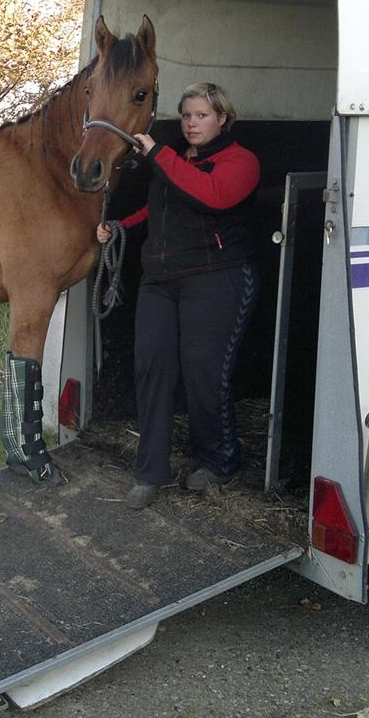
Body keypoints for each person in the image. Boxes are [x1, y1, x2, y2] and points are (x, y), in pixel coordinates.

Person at [97, 82, 261, 509]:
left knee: (204, 372)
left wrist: (157, 155)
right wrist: (121, 227)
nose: (191, 123)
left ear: (223, 118)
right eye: (186, 115)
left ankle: (219, 459)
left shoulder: (240, 161)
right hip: (161, 279)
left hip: (216, 278)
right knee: (152, 368)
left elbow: (212, 197)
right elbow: (160, 208)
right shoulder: (175, 159)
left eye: (202, 115)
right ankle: (150, 472)